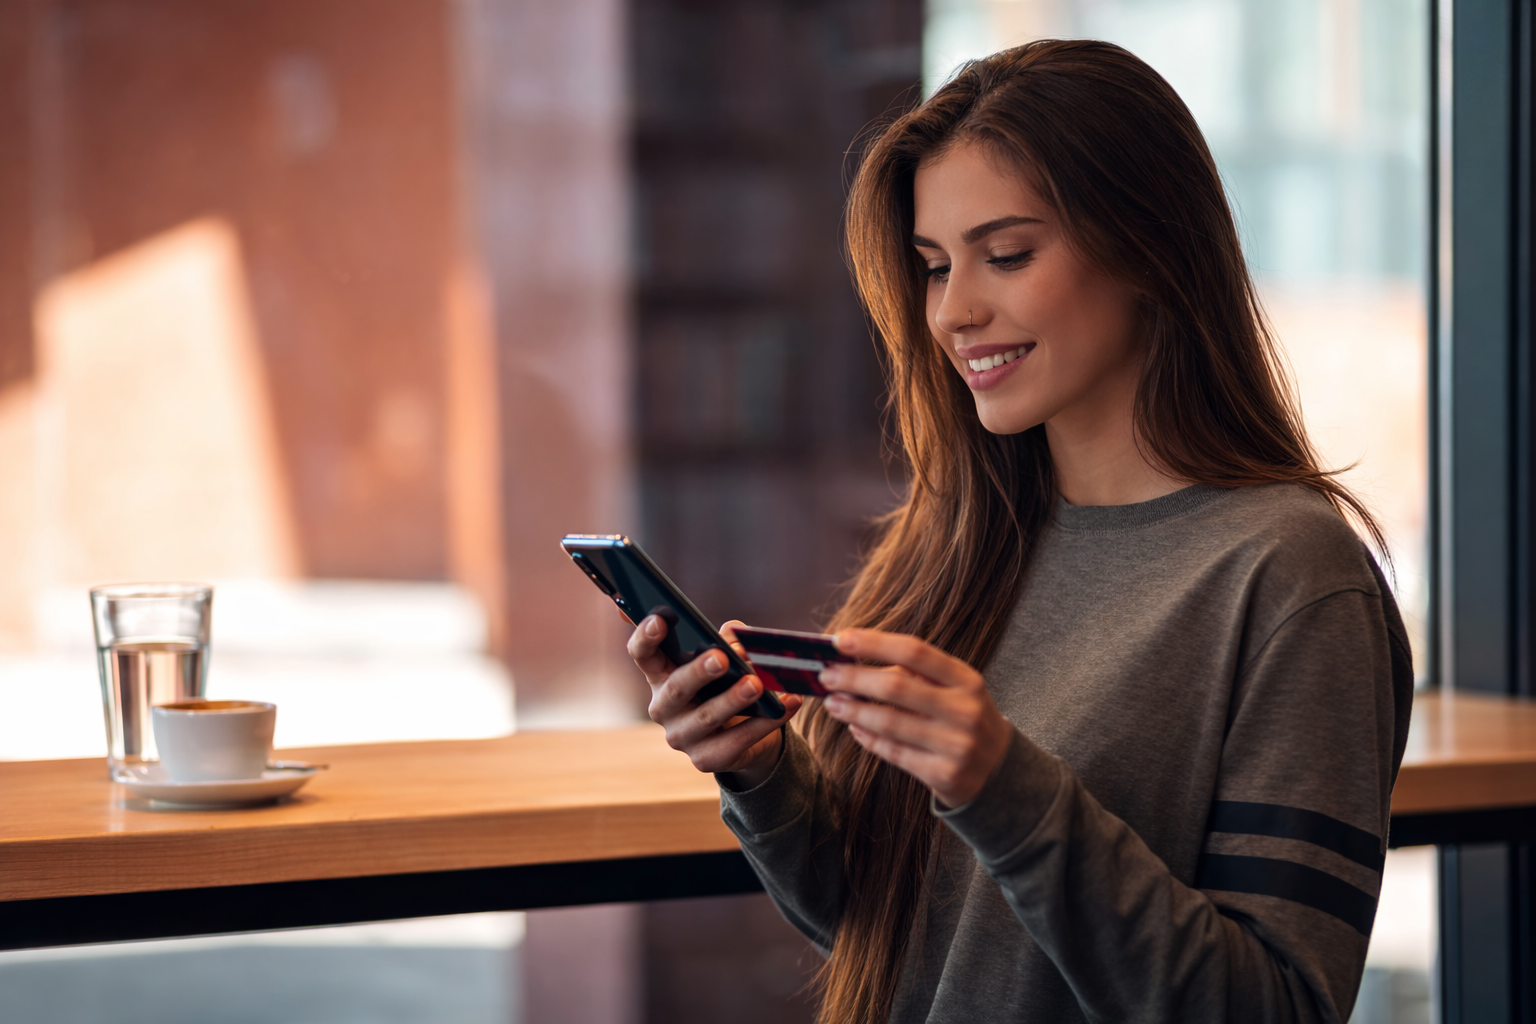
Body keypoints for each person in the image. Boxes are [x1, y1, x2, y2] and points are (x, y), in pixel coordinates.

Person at [628, 39, 1412, 1023]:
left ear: (1150, 248)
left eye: (1006, 255)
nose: (955, 310)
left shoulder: (1290, 576)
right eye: (932, 267)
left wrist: (1007, 788)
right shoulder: (963, 541)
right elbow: (896, 934)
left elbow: (1275, 1009)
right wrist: (759, 770)